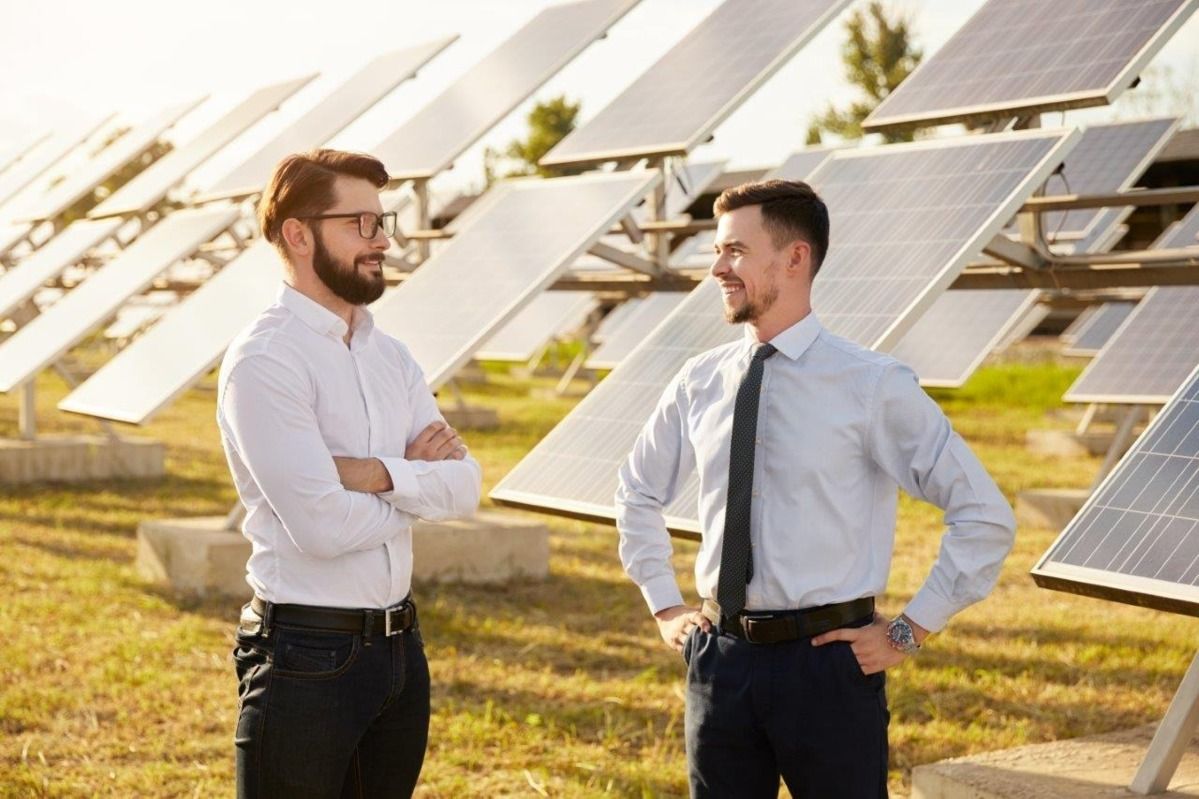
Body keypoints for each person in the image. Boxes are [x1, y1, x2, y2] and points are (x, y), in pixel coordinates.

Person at [615, 179, 1016, 798]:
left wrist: (910, 630)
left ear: (795, 257)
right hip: (719, 664)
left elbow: (983, 513)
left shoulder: (871, 383)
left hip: (828, 668)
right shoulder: (700, 380)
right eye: (718, 252)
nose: (718, 267)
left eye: (736, 251)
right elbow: (637, 490)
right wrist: (665, 604)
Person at [217, 149, 481, 798]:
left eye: (381, 220)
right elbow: (322, 528)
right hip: (306, 655)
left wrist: (371, 473)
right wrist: (415, 481)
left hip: (399, 651)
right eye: (360, 223)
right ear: (298, 235)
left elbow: (466, 485)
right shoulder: (267, 360)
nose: (383, 239)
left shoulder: (390, 354)